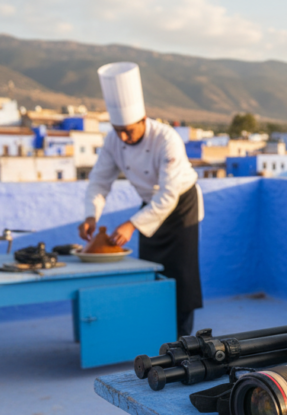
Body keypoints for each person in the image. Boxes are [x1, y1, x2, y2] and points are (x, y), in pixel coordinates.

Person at [79, 62, 203, 337]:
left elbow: (169, 193)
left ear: (143, 119)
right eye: (117, 129)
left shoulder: (166, 139)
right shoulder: (113, 140)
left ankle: (183, 341)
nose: (123, 136)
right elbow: (100, 180)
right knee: (152, 273)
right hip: (149, 207)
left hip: (181, 205)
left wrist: (131, 225)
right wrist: (91, 215)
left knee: (181, 276)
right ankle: (156, 332)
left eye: (128, 130)